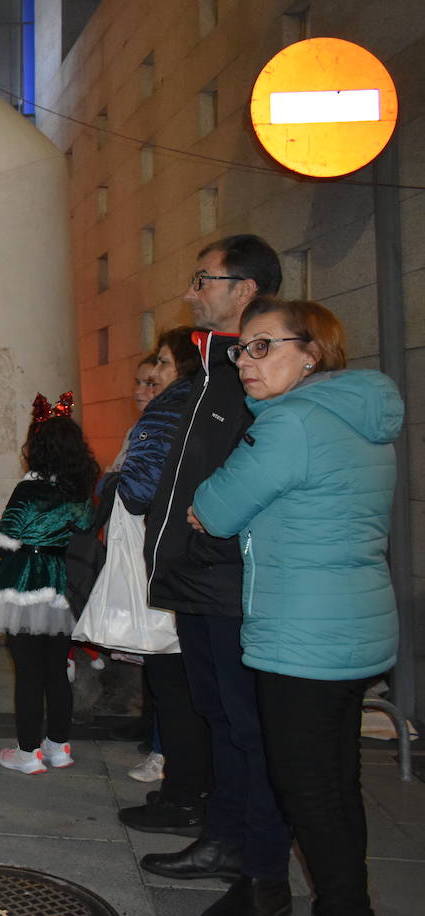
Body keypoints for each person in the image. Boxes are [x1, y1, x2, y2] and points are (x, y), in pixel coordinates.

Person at [190, 299, 401, 916]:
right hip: (354, 623)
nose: (244, 362)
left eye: (264, 346)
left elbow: (214, 509)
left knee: (306, 788)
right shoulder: (357, 417)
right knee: (335, 782)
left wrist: (213, 504)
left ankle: (343, 906)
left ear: (312, 353)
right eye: (241, 349)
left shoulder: (292, 423)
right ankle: (345, 900)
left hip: (302, 633)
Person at [134, 235, 293, 916]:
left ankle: (261, 864)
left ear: (245, 289)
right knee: (218, 717)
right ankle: (224, 839)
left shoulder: (256, 378)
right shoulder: (206, 371)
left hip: (232, 583)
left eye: (204, 279)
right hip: (193, 579)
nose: (191, 291)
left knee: (248, 727)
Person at [0, 396, 99, 774]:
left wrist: (22, 550)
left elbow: (5, 539)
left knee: (27, 672)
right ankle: (59, 746)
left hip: (26, 581)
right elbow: (86, 528)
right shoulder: (78, 492)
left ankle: (28, 753)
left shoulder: (28, 490)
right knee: (56, 670)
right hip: (61, 584)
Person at [106, 328, 206, 791]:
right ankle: (174, 761)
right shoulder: (204, 405)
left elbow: (135, 487)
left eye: (162, 366)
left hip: (174, 558)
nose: (149, 384)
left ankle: (179, 781)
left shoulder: (171, 411)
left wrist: (109, 485)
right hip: (194, 558)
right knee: (179, 672)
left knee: (172, 671)